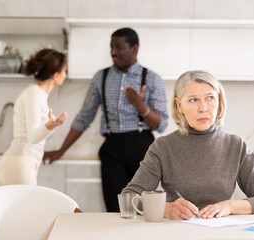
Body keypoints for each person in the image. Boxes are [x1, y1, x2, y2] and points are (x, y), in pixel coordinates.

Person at [122, 70, 254, 220]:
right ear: (179, 106)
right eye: (193, 100)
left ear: (219, 101)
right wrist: (165, 208)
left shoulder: (236, 146)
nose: (203, 108)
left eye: (210, 98)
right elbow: (129, 197)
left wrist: (230, 206)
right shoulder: (163, 147)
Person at [43, 27, 168, 212]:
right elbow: (84, 117)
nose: (113, 52)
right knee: (115, 209)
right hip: (113, 149)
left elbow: (161, 124)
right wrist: (61, 151)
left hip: (143, 149)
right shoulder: (101, 78)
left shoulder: (152, 79)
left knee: (145, 209)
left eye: (118, 47)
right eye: (111, 47)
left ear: (134, 48)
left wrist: (140, 106)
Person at [0, 49, 68, 185]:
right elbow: (33, 137)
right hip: (21, 161)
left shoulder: (38, 94)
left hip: (20, 161)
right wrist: (51, 125)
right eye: (64, 71)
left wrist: (49, 126)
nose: (65, 75)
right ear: (56, 76)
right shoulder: (34, 94)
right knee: (30, 207)